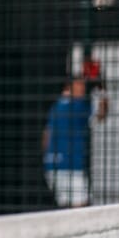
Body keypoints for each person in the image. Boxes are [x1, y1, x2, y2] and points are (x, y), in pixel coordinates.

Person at [42, 77, 109, 208]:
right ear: (69, 87)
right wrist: (103, 92)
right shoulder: (79, 106)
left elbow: (46, 135)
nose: (83, 89)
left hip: (52, 165)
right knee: (81, 209)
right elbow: (101, 114)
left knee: (65, 208)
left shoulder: (56, 106)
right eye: (80, 85)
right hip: (72, 166)